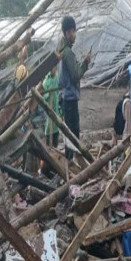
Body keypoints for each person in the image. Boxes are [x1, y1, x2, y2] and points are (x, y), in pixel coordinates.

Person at [58, 15, 92, 159]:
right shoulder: (67, 53)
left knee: (69, 135)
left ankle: (69, 163)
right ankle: (71, 165)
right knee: (73, 134)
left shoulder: (62, 49)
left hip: (65, 97)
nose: (74, 34)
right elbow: (76, 75)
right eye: (72, 31)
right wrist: (85, 62)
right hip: (70, 99)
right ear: (66, 33)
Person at [42, 64, 60, 149]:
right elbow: (42, 97)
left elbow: (59, 92)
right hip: (49, 109)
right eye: (53, 67)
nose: (55, 69)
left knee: (56, 128)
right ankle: (49, 148)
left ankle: (55, 147)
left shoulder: (57, 78)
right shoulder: (46, 81)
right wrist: (48, 94)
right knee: (49, 128)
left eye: (56, 67)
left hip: (56, 108)